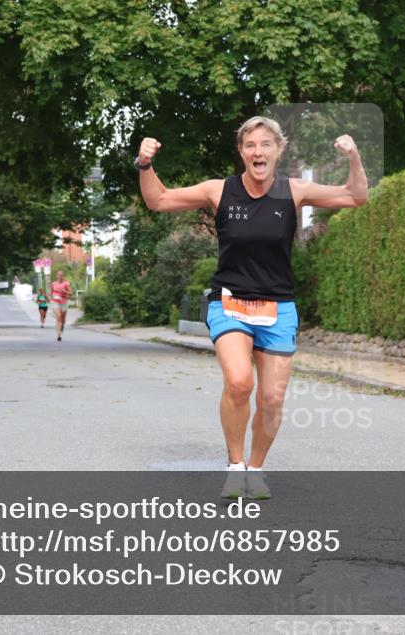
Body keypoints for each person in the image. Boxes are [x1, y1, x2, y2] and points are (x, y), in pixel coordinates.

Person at [136, 116, 368, 498]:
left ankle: (256, 470)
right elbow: (158, 200)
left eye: (265, 144)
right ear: (241, 152)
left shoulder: (293, 191)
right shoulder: (219, 190)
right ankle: (235, 465)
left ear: (279, 149)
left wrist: (354, 158)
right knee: (240, 381)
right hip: (230, 303)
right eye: (249, 145)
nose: (257, 151)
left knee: (272, 399)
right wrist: (145, 164)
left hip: (278, 307)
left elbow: (356, 196)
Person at [49, 270, 72, 341]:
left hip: (63, 302)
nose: (60, 277)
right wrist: (51, 298)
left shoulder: (66, 283)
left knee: (63, 320)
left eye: (61, 275)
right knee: (58, 317)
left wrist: (65, 292)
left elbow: (71, 293)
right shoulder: (53, 283)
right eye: (59, 275)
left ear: (63, 276)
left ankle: (62, 326)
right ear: (57, 276)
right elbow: (50, 293)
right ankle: (59, 334)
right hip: (55, 302)